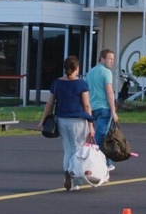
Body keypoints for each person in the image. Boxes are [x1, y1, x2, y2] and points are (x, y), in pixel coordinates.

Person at [41, 56, 94, 190]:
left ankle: (67, 174)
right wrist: (91, 125)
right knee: (78, 150)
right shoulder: (81, 84)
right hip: (78, 121)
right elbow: (87, 105)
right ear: (77, 68)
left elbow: (49, 103)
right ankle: (76, 181)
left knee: (68, 150)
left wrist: (42, 121)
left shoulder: (57, 83)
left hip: (62, 120)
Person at [85, 49, 118, 142]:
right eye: (109, 59)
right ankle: (99, 154)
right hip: (104, 108)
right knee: (102, 136)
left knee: (96, 134)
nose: (112, 61)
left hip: (92, 107)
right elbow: (109, 92)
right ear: (102, 59)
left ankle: (95, 153)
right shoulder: (106, 72)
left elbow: (85, 90)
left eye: (113, 59)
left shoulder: (90, 73)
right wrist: (113, 111)